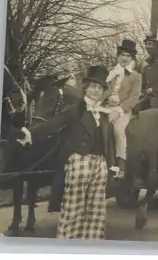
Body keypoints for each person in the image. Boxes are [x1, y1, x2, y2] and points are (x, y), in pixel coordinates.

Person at [30, 65, 116, 239]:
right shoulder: (74, 110)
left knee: (96, 212)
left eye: (99, 88)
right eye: (92, 86)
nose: (96, 91)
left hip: (100, 164)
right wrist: (29, 132)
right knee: (73, 209)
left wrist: (112, 164)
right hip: (79, 161)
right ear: (85, 87)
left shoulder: (105, 114)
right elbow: (53, 123)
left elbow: (109, 142)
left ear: (103, 91)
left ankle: (90, 247)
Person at [102, 39, 141, 179]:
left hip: (122, 109)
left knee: (118, 130)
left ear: (132, 59)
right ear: (118, 56)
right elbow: (101, 91)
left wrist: (118, 111)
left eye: (128, 56)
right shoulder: (110, 72)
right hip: (104, 106)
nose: (125, 58)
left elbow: (134, 97)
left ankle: (121, 166)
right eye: (123, 55)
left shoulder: (136, 76)